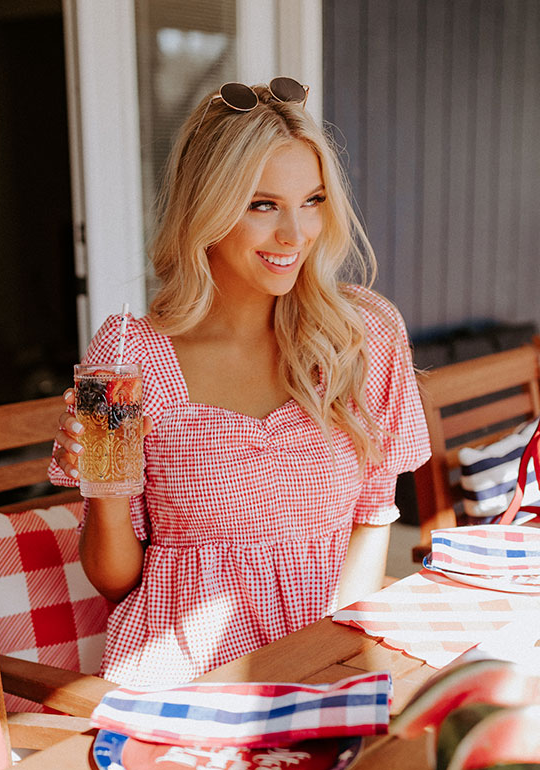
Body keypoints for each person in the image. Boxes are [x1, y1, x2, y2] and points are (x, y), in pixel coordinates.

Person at [50, 78, 430, 688]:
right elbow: (115, 579)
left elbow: (373, 514)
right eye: (262, 204)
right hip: (180, 671)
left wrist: (334, 667)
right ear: (207, 206)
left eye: (312, 200)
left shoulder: (362, 333)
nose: (296, 234)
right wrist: (104, 484)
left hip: (329, 659)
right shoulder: (126, 353)